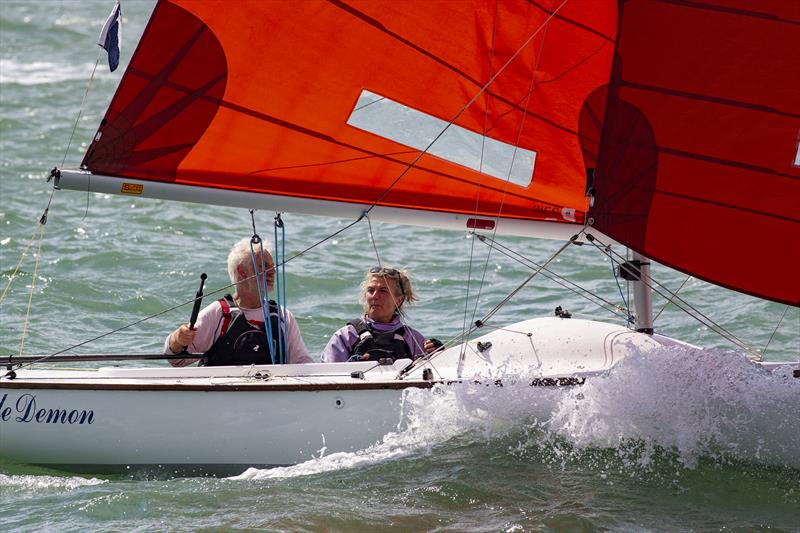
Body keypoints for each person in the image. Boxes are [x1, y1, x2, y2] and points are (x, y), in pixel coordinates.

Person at [165, 238, 313, 366]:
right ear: (242, 272)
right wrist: (177, 339)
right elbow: (176, 361)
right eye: (265, 266)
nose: (273, 271)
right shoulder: (218, 314)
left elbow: (302, 362)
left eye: (272, 266)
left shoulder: (283, 316)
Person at [321, 267, 438, 362]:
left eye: (383, 291)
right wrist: (349, 367)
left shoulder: (413, 339)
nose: (375, 296)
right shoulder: (345, 337)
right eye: (371, 290)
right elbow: (326, 377)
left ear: (399, 300)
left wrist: (438, 354)